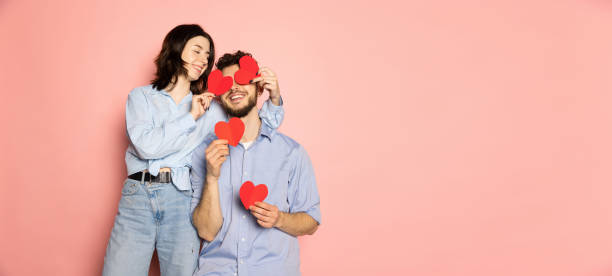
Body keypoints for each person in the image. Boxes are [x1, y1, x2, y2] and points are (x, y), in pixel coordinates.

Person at [102, 26, 284, 276]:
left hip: (181, 198)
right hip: (138, 196)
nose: (203, 60)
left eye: (207, 55)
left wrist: (274, 97)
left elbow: (255, 127)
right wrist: (190, 118)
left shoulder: (210, 108)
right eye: (196, 51)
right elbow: (146, 146)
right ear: (175, 49)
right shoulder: (141, 98)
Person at [190, 51, 320, 276]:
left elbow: (312, 221)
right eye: (227, 83)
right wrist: (212, 177)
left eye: (243, 80)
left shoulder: (292, 153)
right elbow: (206, 232)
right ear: (219, 95)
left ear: (259, 88)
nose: (235, 88)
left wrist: (279, 218)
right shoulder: (204, 152)